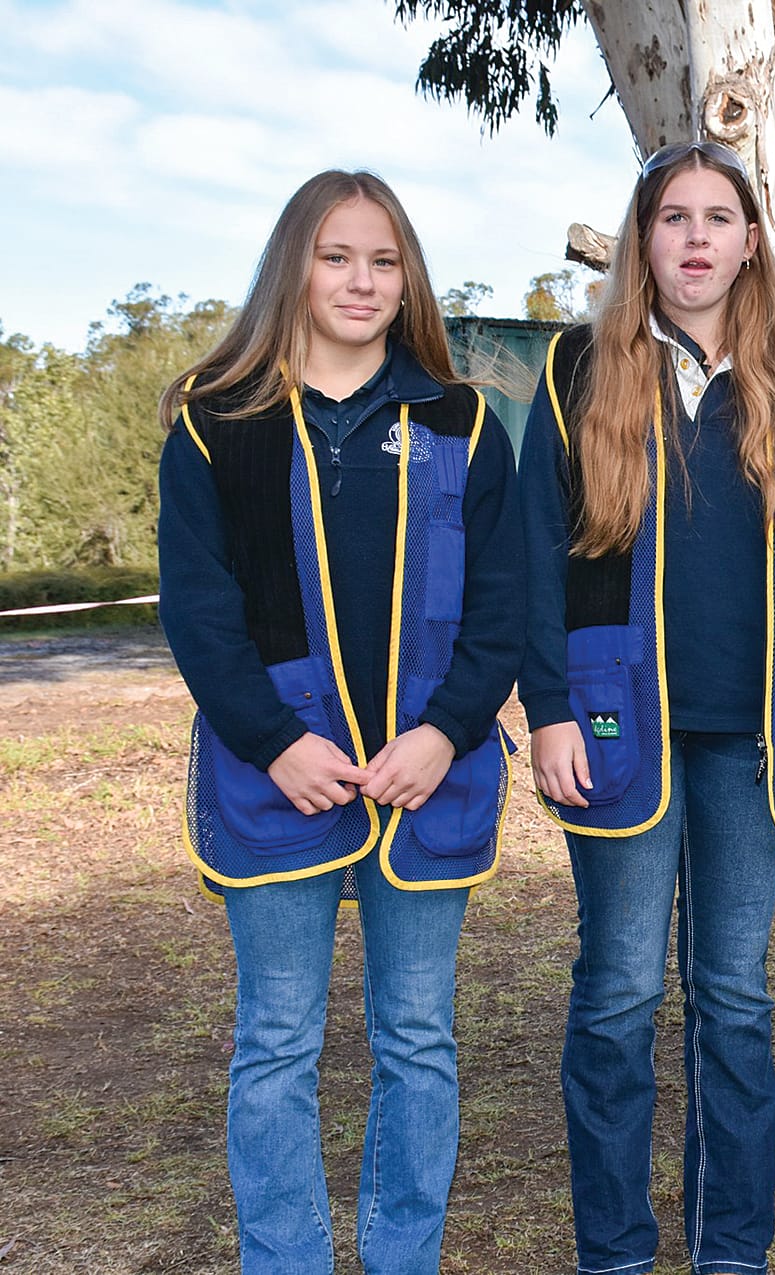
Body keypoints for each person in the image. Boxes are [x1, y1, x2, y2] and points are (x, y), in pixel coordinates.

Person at [157, 169, 522, 1272]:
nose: (361, 280)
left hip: (426, 776)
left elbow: (504, 606)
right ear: (293, 267)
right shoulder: (220, 422)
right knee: (277, 1044)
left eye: (382, 258)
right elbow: (201, 609)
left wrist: (444, 730)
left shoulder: (462, 420)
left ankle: (401, 1256)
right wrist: (274, 740)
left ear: (406, 275)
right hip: (277, 775)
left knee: (416, 1041)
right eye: (335, 256)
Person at [517, 140, 775, 1275]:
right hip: (616, 725)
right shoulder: (578, 366)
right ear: (641, 238)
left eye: (718, 218)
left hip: (750, 736)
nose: (696, 238)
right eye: (672, 218)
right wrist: (548, 707)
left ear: (751, 241)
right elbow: (531, 555)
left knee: (735, 1004)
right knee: (614, 996)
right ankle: (613, 1253)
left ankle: (730, 1254)